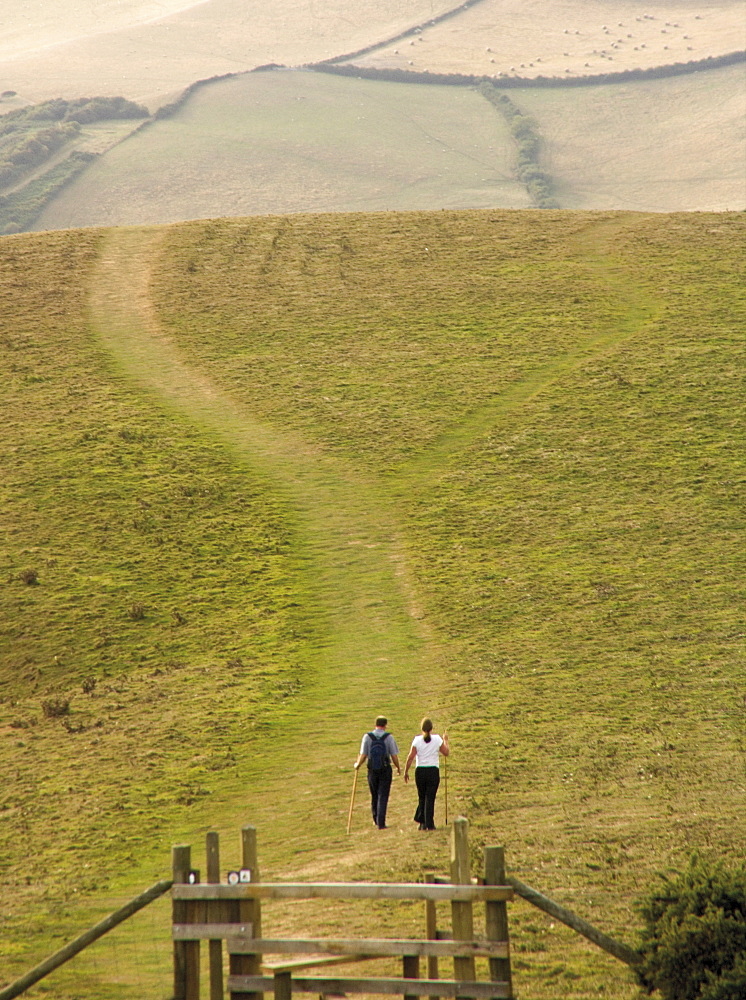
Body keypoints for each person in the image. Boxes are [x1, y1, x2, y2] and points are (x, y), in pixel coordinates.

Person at [354, 716, 400, 829]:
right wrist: (398, 767)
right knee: (382, 795)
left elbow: (363, 755)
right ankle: (381, 822)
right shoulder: (389, 737)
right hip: (385, 770)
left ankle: (375, 819)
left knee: (374, 795)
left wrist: (357, 765)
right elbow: (394, 756)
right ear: (385, 725)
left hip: (372, 770)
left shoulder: (367, 737)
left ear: (375, 724)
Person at [404, 717, 449, 830]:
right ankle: (429, 823)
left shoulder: (417, 740)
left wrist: (406, 771)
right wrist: (446, 740)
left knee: (422, 797)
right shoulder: (437, 739)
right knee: (430, 797)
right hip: (433, 770)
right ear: (432, 728)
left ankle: (422, 823)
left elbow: (410, 757)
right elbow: (446, 752)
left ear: (422, 728)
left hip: (420, 771)